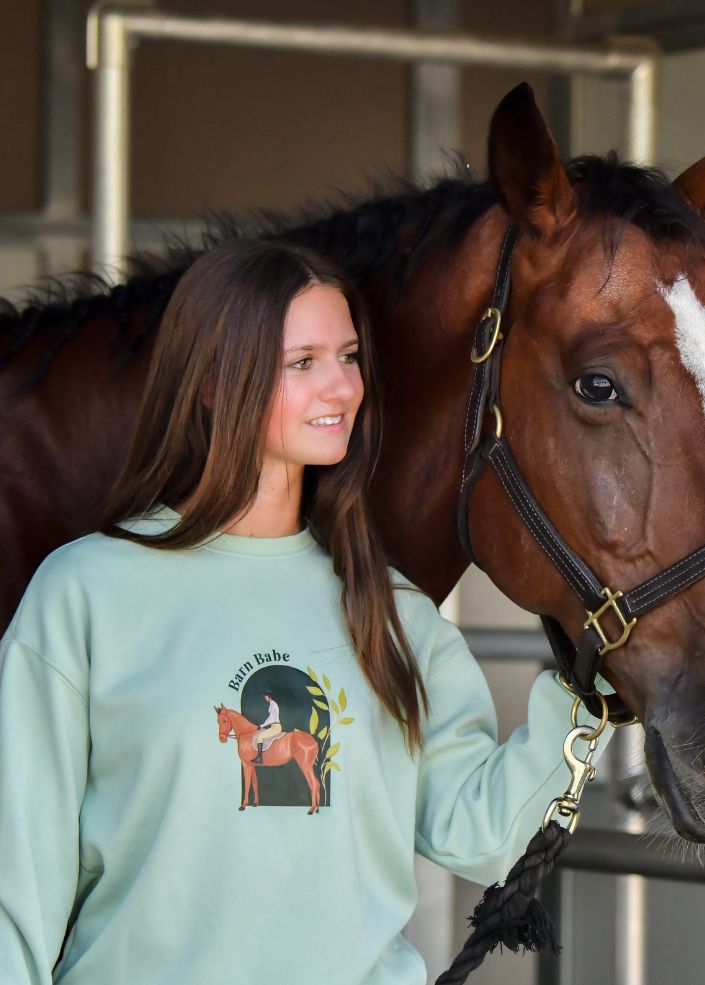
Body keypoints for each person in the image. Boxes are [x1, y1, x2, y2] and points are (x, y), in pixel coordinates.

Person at [0, 239, 611, 985]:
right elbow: (16, 880)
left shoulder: (394, 614)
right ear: (213, 384)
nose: (341, 388)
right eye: (303, 362)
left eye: (349, 357)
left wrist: (588, 693)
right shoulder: (86, 594)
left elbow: (483, 835)